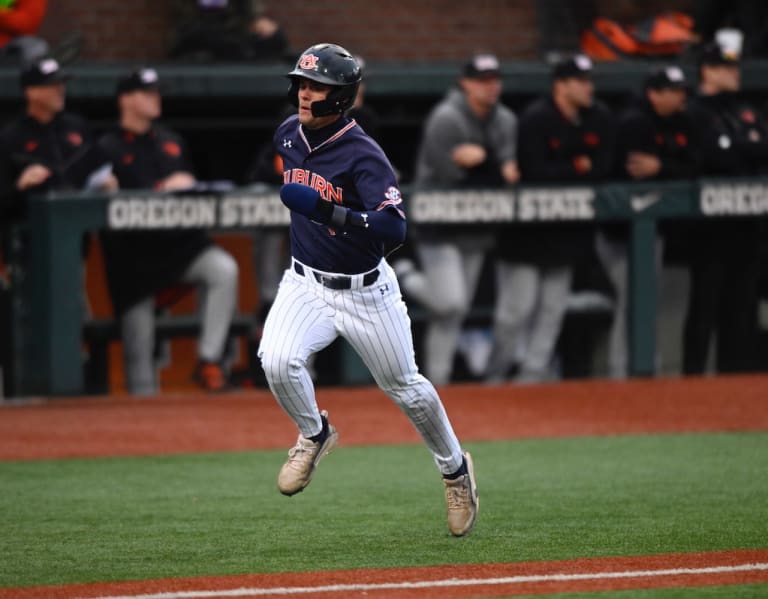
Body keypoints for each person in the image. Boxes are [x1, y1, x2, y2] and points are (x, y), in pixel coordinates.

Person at [258, 43, 478, 537]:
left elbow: (394, 229)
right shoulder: (287, 135)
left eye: (316, 87)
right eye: (302, 84)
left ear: (341, 98)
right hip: (304, 282)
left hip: (365, 292)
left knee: (406, 388)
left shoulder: (364, 155)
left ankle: (454, 471)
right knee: (276, 359)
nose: (304, 93)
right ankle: (315, 434)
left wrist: (331, 213)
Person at [98, 67, 239, 394]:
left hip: (180, 247)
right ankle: (143, 426)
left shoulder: (171, 142)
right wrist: (160, 187)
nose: (155, 98)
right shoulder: (107, 147)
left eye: (156, 92)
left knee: (224, 268)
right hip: (135, 261)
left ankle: (209, 361)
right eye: (147, 93)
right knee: (140, 353)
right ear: (126, 100)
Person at [485, 54, 616, 384]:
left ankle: (532, 377)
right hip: (527, 234)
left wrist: (576, 169)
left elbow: (604, 167)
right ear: (561, 85)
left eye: (589, 81)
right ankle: (495, 377)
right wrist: (577, 167)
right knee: (516, 313)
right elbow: (534, 170)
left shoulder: (598, 117)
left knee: (552, 311)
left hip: (567, 232)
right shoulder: (535, 118)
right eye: (581, 82)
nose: (589, 88)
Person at [408, 52, 519, 386]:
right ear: (465, 83)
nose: (490, 87)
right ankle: (405, 276)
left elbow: (508, 175)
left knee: (454, 312)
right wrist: (494, 168)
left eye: (494, 80)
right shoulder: (446, 118)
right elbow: (451, 175)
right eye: (482, 81)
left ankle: (436, 383)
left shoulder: (506, 120)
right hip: (438, 224)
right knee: (450, 301)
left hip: (475, 227)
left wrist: (484, 162)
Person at [597, 65, 698, 379]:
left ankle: (643, 369)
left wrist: (664, 164)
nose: (681, 96)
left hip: (651, 231)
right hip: (617, 234)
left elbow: (697, 163)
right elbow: (634, 171)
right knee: (632, 300)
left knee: (642, 301)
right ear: (653, 93)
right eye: (673, 91)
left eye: (682, 90)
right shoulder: (633, 122)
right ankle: (621, 370)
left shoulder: (681, 120)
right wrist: (673, 162)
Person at [681, 42, 767, 374]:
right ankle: (693, 380)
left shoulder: (745, 109)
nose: (735, 73)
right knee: (705, 306)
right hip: (708, 227)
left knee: (741, 308)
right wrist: (748, 147)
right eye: (727, 68)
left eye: (735, 67)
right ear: (708, 71)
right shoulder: (695, 111)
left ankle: (732, 387)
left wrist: (742, 147)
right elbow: (714, 157)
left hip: (746, 225)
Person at [0, 57, 116, 224]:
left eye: (61, 84)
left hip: (78, 230)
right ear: (31, 92)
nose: (60, 90)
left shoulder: (78, 126)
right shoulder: (11, 138)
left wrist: (109, 185)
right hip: (33, 233)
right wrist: (20, 186)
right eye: (52, 85)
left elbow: (102, 171)